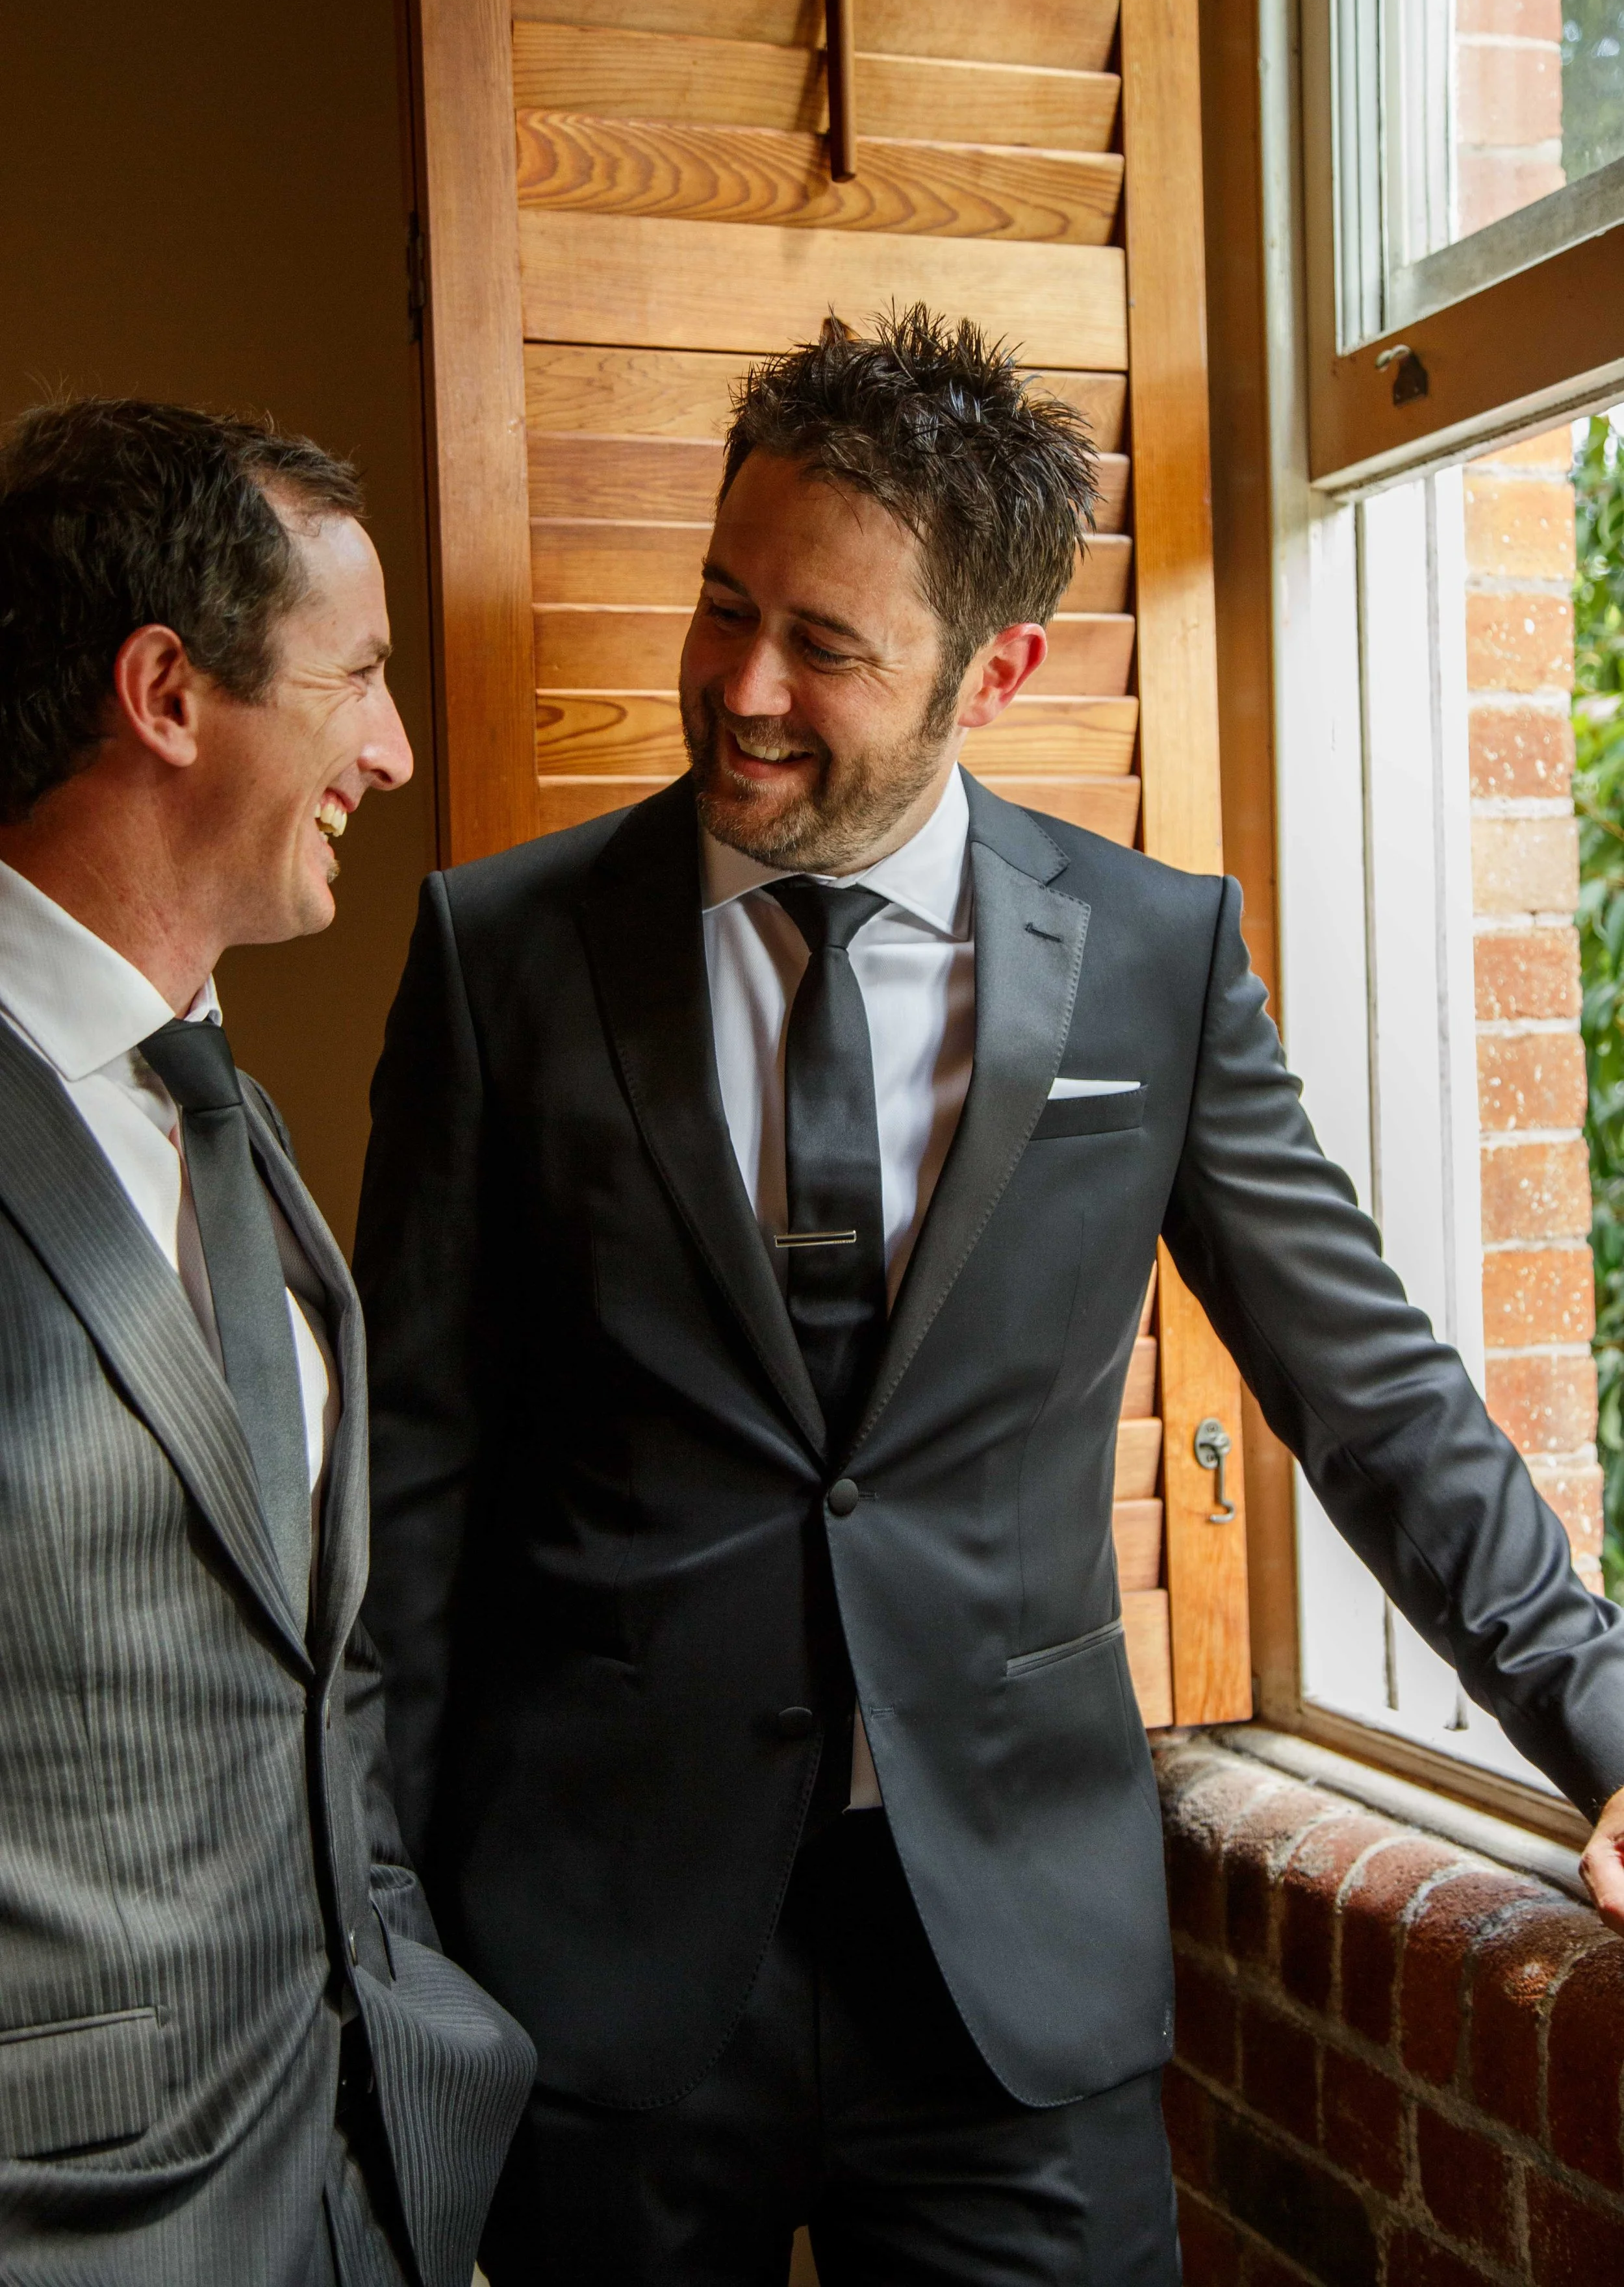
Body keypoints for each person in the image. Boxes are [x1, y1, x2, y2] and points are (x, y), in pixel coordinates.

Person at [355, 310, 1624, 2287]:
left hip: (1005, 1984)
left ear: (997, 670)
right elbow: (411, 1483)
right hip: (596, 1962)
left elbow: (1363, 1385)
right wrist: (390, 1939)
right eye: (723, 605)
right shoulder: (496, 957)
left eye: (828, 647)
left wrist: (1605, 1725)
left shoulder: (1149, 961)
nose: (742, 687)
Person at [0, 398, 534, 2287]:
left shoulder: (226, 1108)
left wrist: (408, 2152)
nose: (390, 751)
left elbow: (319, 1689)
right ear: (168, 692)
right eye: (362, 676)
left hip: (350, 2192)